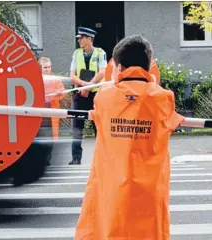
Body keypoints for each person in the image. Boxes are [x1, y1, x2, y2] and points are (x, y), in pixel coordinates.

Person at [74, 35, 185, 239]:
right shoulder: (163, 98)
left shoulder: (104, 98)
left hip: (111, 191)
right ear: (149, 65)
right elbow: (171, 119)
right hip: (148, 194)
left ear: (119, 67)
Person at [68, 27, 107, 165]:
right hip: (80, 94)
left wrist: (88, 87)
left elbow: (102, 72)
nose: (78, 40)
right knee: (77, 127)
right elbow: (72, 76)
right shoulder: (76, 53)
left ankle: (101, 158)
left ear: (89, 39)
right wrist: (85, 86)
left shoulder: (100, 53)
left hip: (95, 95)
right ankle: (76, 158)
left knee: (98, 126)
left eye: (81, 37)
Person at [38, 57, 65, 165]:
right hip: (38, 113)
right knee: (39, 136)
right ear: (40, 68)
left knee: (50, 137)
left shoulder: (55, 79)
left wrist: (59, 92)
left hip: (51, 113)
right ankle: (40, 158)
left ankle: (47, 158)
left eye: (49, 67)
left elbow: (62, 90)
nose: (48, 69)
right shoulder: (35, 79)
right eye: (45, 67)